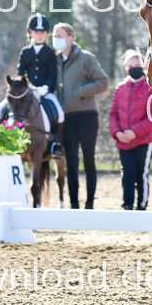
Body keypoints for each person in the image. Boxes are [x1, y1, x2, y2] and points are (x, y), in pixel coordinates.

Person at [53, 23, 110, 209]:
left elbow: (103, 82)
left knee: (88, 160)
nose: (56, 38)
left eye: (60, 35)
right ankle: (74, 203)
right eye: (54, 35)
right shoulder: (55, 61)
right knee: (71, 162)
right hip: (66, 118)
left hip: (86, 115)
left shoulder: (86, 58)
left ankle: (90, 203)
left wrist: (80, 91)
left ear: (70, 37)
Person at [0, 13, 64, 157]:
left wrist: (45, 88)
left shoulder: (51, 53)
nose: (39, 35)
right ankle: (0, 140)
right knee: (0, 110)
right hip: (26, 91)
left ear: (46, 34)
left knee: (59, 113)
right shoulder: (25, 52)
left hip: (45, 92)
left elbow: (52, 75)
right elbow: (20, 72)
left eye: (42, 32)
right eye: (36, 32)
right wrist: (25, 87)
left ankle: (56, 142)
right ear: (30, 33)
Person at [109, 50, 152, 210]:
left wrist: (135, 132)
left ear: (145, 66)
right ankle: (127, 204)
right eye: (131, 66)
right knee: (127, 174)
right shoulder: (120, 88)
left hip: (145, 140)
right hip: (123, 141)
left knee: (141, 173)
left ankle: (141, 204)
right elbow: (113, 114)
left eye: (137, 65)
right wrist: (117, 133)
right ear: (126, 68)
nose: (134, 68)